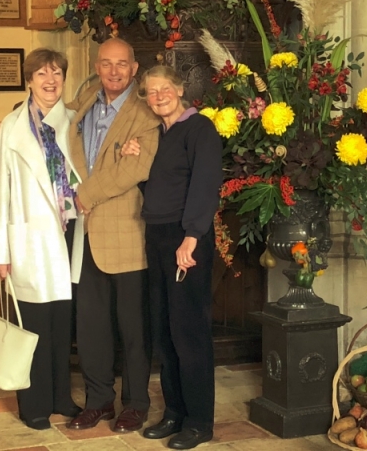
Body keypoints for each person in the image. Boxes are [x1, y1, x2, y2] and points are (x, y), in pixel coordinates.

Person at [123, 65, 222, 449]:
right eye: (151, 91)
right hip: (159, 236)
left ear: (180, 90)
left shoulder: (200, 129)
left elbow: (205, 183)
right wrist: (132, 155)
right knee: (164, 332)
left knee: (189, 334)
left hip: (186, 240)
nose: (159, 95)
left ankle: (199, 422)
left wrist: (192, 237)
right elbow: (159, 186)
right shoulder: (159, 134)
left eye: (165, 88)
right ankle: (174, 413)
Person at [65, 38, 160, 434]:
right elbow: (51, 118)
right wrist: (10, 121)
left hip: (126, 236)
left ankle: (136, 403)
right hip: (84, 237)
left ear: (134, 68)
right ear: (97, 66)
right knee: (90, 328)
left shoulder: (145, 113)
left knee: (133, 329)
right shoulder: (86, 100)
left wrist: (83, 195)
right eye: (107, 64)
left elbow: (135, 169)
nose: (115, 71)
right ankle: (99, 400)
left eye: (122, 64)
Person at [0, 48, 84, 430]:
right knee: (33, 327)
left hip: (68, 234)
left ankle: (62, 396)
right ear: (29, 80)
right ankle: (35, 404)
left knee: (63, 324)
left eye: (57, 73)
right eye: (42, 74)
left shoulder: (74, 121)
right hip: (28, 241)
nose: (50, 81)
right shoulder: (10, 127)